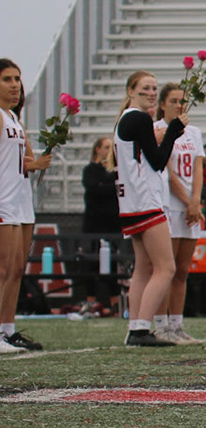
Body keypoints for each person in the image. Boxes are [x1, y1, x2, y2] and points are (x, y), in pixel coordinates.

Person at [114, 70, 185, 346]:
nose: (152, 93)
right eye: (145, 88)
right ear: (131, 90)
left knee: (143, 268)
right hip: (144, 200)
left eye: (155, 88)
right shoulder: (139, 118)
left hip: (131, 201)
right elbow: (157, 161)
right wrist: (173, 132)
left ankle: (136, 326)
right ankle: (141, 329)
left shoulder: (126, 118)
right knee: (166, 268)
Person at [0, 58, 55, 352]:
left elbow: (26, 160)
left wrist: (39, 161)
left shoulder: (14, 119)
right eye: (7, 79)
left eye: (17, 79)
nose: (14, 85)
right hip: (3, 201)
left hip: (21, 201)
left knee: (17, 269)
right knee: (4, 269)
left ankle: (7, 330)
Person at [155, 82, 204, 344]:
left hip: (190, 208)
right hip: (171, 205)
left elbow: (198, 168)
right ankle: (161, 325)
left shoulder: (194, 132)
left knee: (183, 270)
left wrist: (196, 200)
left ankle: (177, 325)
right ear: (162, 104)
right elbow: (168, 172)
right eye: (173, 101)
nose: (178, 105)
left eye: (182, 101)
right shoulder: (158, 130)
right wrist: (187, 202)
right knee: (167, 268)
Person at [81, 134, 121, 315]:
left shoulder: (115, 170)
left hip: (112, 223)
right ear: (97, 149)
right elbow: (93, 189)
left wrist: (105, 186)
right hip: (94, 223)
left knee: (113, 264)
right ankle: (91, 303)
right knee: (91, 263)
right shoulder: (90, 170)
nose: (108, 151)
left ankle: (115, 303)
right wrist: (110, 187)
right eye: (106, 147)